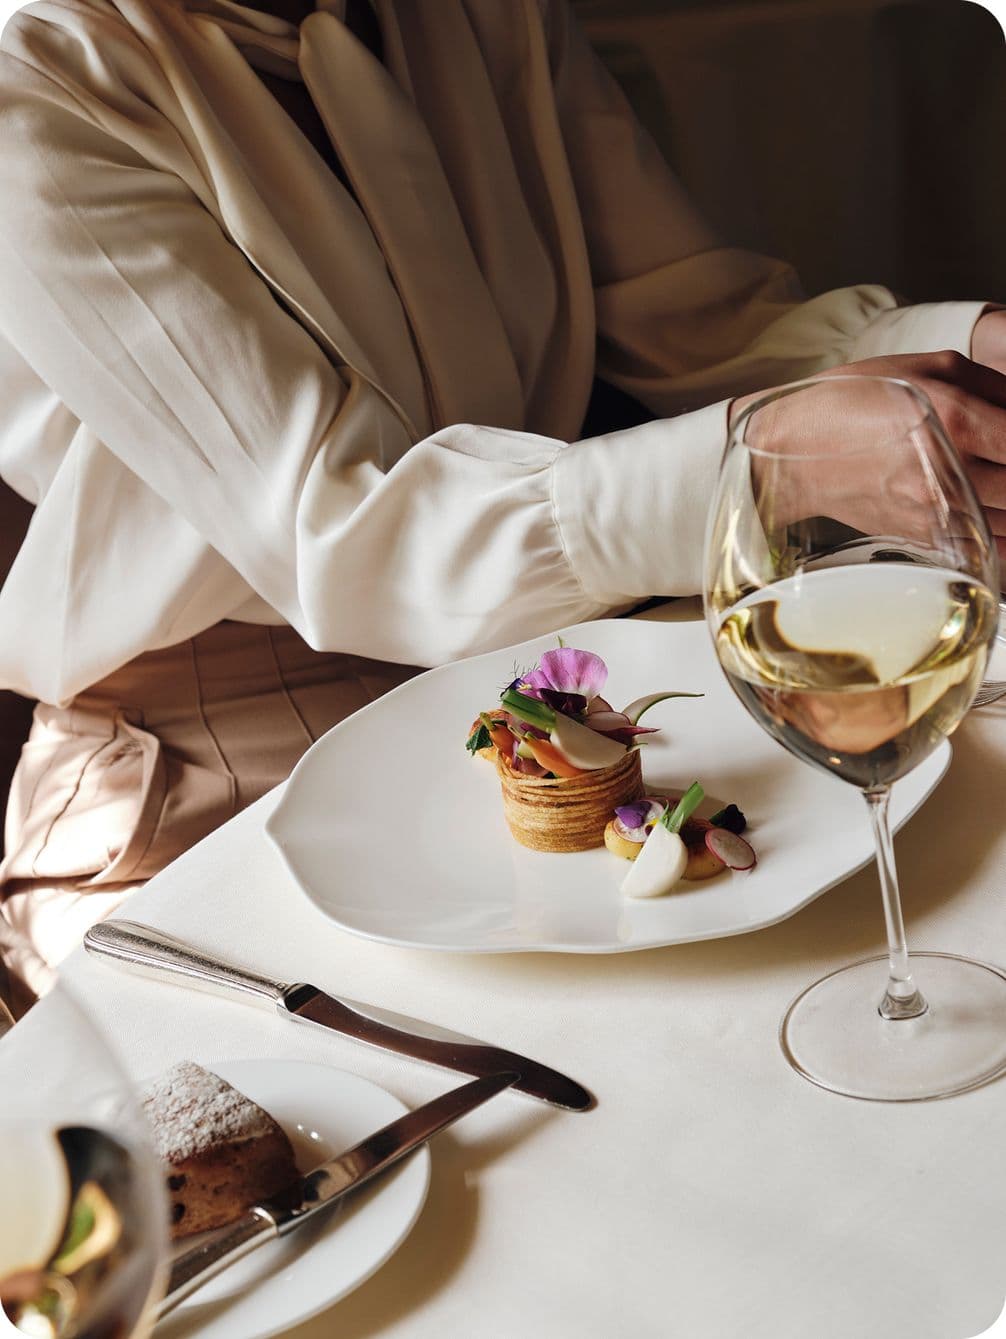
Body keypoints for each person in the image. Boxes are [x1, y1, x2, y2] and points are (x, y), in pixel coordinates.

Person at [0, 0, 1005, 1014]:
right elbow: (347, 532)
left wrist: (967, 355)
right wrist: (783, 457)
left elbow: (699, 324)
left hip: (544, 681)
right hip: (208, 754)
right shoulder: (35, 85)